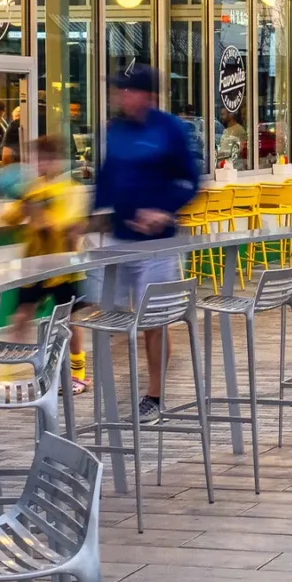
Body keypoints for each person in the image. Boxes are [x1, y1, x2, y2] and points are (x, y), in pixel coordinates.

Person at [87, 65, 199, 418]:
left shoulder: (170, 130)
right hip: (119, 239)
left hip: (157, 244)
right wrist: (90, 216)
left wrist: (164, 212)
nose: (120, 96)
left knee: (153, 319)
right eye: (117, 90)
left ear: (147, 95)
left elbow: (192, 181)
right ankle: (104, 391)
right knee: (104, 314)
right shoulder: (115, 131)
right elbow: (106, 179)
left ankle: (153, 394)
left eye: (127, 90)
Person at [0, 135, 85, 357]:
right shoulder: (33, 189)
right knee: (21, 315)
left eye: (47, 159)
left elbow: (65, 224)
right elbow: (10, 219)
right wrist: (22, 207)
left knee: (69, 321)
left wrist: (38, 212)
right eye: (38, 159)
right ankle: (13, 367)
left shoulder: (71, 190)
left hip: (64, 268)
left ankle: (78, 371)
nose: (42, 164)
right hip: (35, 265)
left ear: (58, 161)